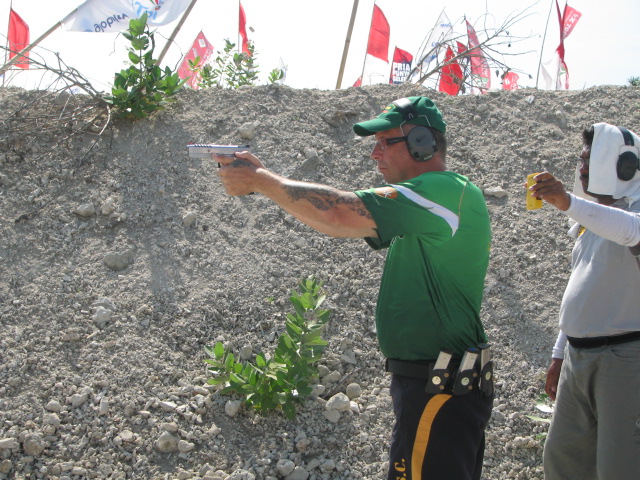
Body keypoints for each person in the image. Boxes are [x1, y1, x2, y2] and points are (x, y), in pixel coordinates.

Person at [215, 96, 493, 480]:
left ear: (422, 143)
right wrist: (263, 179)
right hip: (437, 386)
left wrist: (260, 180)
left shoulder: (441, 191)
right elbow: (337, 213)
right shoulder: (436, 197)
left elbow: (337, 212)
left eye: (385, 142)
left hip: (440, 389)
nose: (375, 154)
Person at [529, 122, 640, 480]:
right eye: (581, 159)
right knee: (563, 461)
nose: (582, 168)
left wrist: (569, 203)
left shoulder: (628, 213)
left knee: (619, 467)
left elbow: (630, 230)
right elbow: (583, 287)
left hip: (624, 358)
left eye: (591, 160)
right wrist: (559, 352)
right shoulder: (593, 218)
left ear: (623, 165)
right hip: (579, 358)